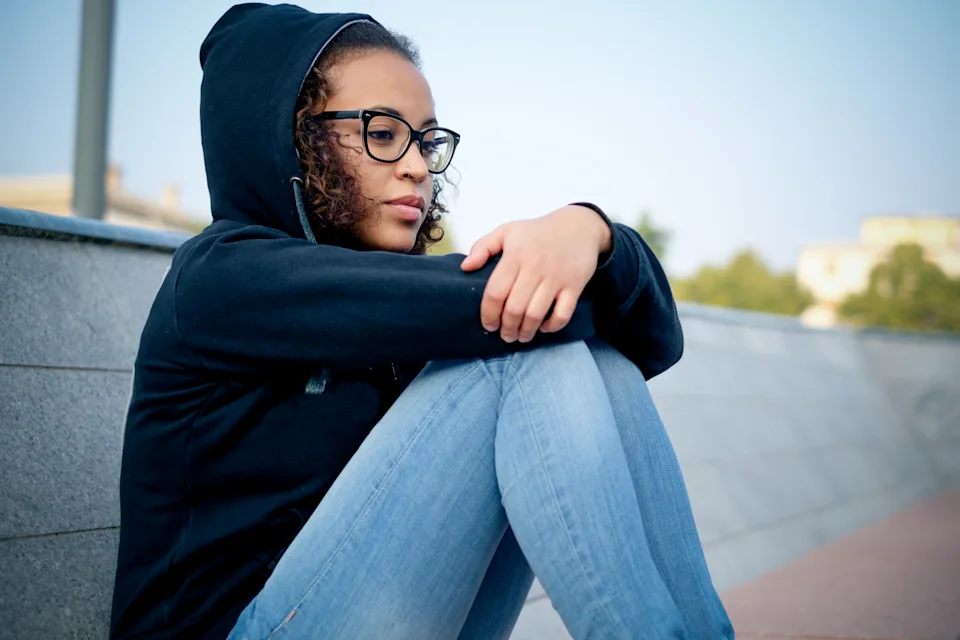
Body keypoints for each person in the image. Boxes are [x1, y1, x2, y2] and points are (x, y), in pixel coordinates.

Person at [110, 4, 734, 639]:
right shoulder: (223, 278)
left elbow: (651, 342)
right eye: (383, 134)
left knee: (592, 353)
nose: (417, 165)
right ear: (294, 139)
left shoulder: (393, 304)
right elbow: (564, 313)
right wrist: (591, 235)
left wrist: (596, 235)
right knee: (522, 340)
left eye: (428, 140)